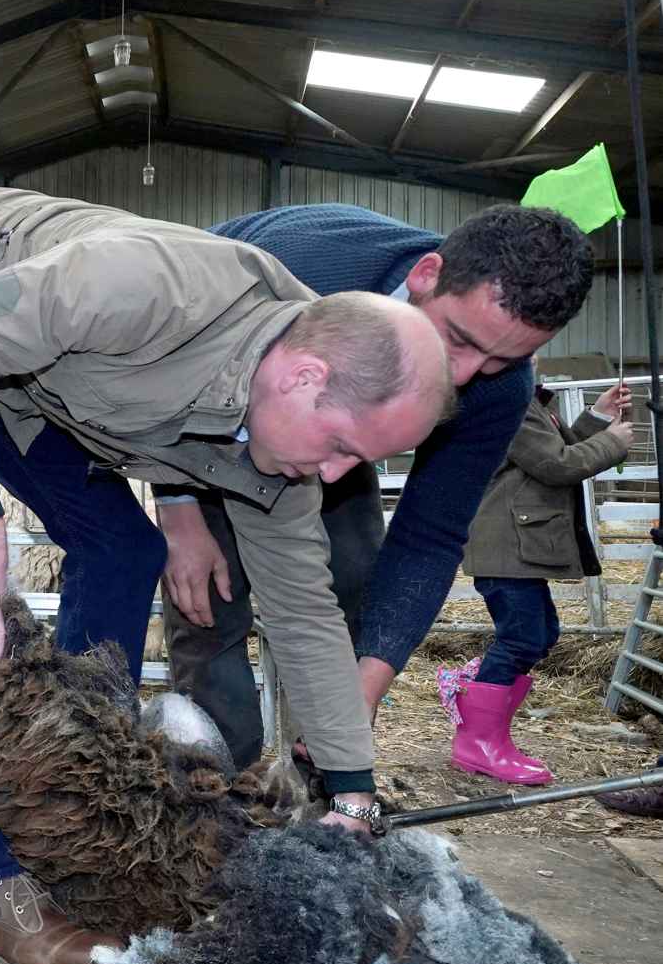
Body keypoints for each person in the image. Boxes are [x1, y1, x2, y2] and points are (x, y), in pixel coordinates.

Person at [0, 186, 452, 964]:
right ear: (303, 376)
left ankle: (75, 802)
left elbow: (306, 618)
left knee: (124, 551)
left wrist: (355, 793)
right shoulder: (148, 287)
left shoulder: (288, 450)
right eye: (337, 446)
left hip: (41, 377)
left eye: (356, 463)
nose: (335, 476)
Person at [156, 203, 595, 771]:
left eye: (500, 359)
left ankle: (322, 784)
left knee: (359, 572)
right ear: (425, 276)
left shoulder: (500, 386)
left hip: (339, 434)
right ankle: (215, 777)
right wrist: (179, 509)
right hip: (211, 419)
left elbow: (431, 535)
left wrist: (363, 688)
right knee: (210, 592)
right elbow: (173, 365)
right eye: (457, 338)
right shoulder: (301, 270)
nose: (461, 376)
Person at [438, 380, 632, 784]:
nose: (534, 359)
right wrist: (613, 442)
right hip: (505, 548)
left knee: (540, 634)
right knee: (522, 639)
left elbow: (553, 452)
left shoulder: (527, 403)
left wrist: (597, 418)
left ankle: (487, 734)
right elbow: (557, 465)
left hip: (513, 548)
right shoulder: (509, 401)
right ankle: (478, 742)